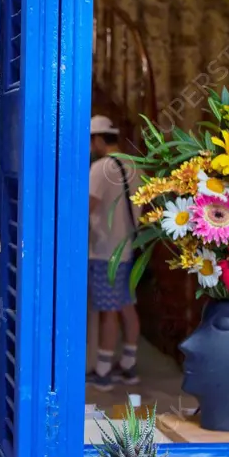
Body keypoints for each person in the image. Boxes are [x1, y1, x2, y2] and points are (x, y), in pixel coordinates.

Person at [87, 115, 142, 391]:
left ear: (97, 139)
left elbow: (87, 209)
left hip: (104, 251)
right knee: (126, 305)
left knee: (107, 310)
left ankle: (104, 371)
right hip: (128, 249)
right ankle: (129, 366)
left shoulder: (100, 169)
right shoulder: (135, 166)